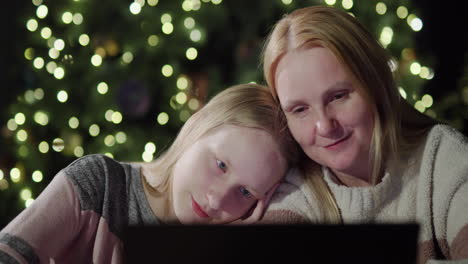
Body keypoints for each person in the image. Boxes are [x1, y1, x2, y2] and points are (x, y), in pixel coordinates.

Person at [0, 83, 300, 263]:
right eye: (220, 165)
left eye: (246, 192)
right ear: (196, 127)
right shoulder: (100, 185)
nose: (216, 199)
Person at [259, 5, 468, 263]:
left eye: (338, 96)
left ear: (375, 84)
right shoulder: (296, 187)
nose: (324, 126)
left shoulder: (443, 160)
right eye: (300, 109)